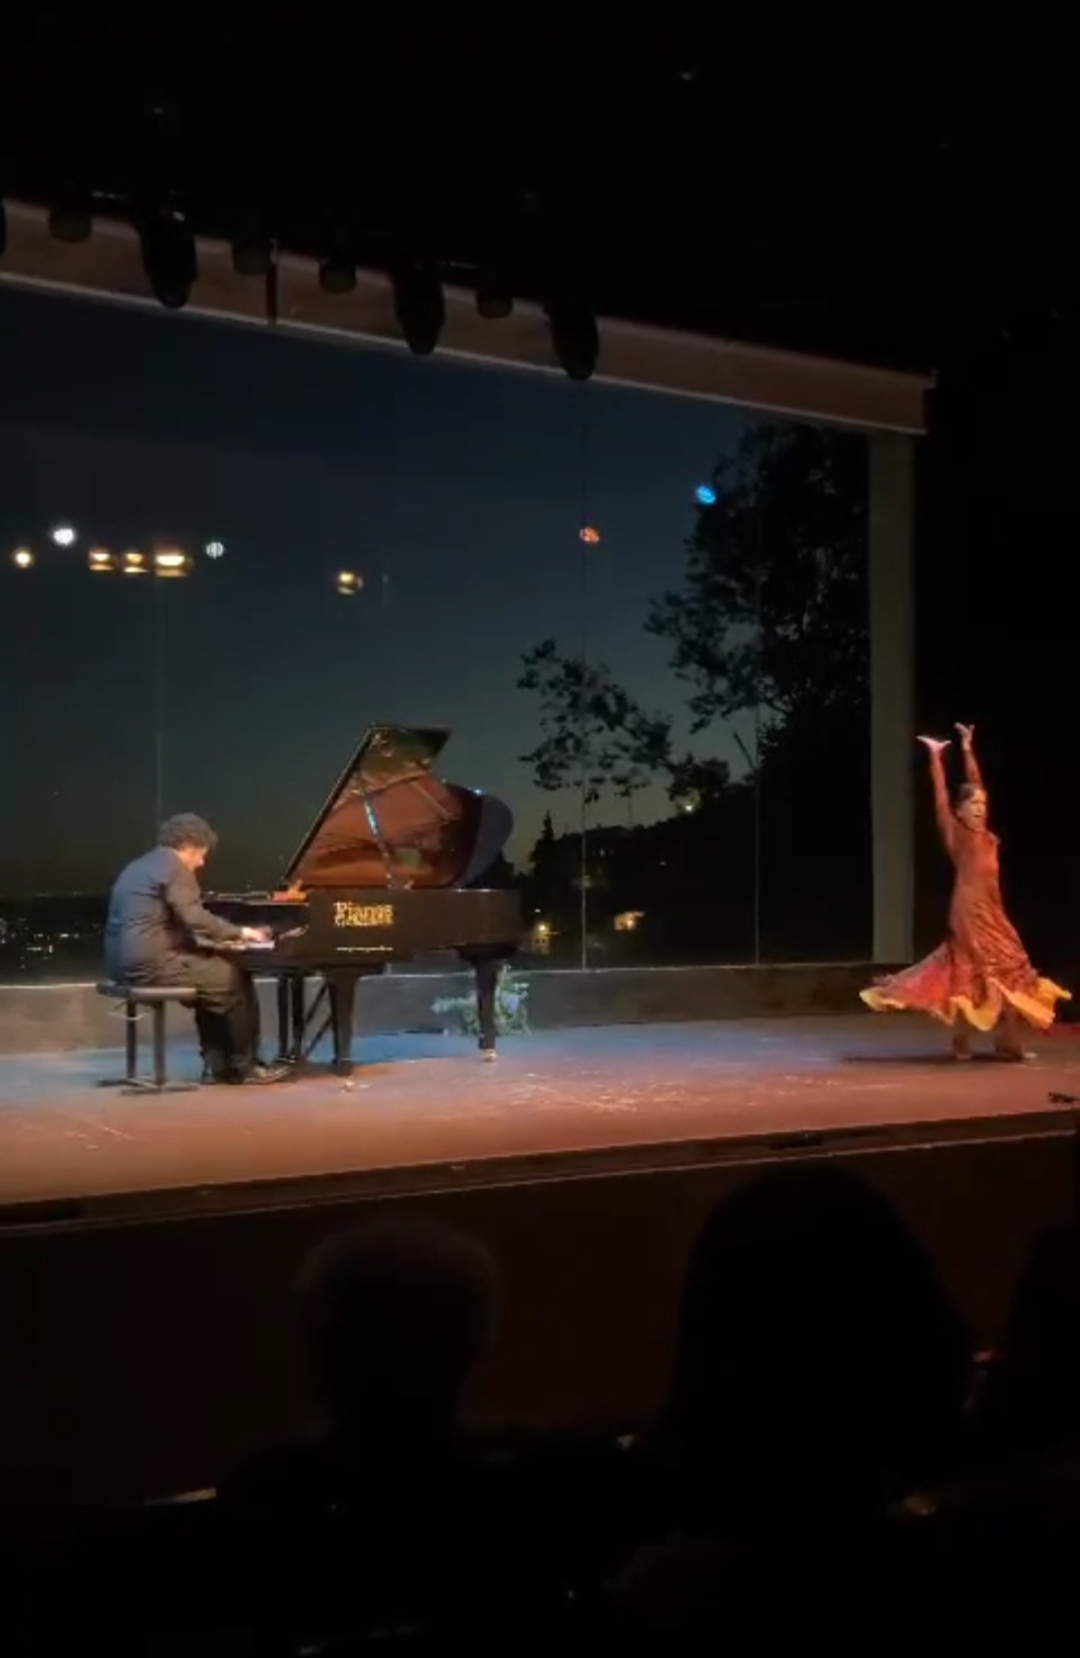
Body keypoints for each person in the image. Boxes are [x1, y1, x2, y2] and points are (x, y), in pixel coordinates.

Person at [861, 724, 1069, 1060]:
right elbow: (941, 799)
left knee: (1013, 968)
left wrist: (968, 748)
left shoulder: (987, 838)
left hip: (993, 912)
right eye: (972, 803)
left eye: (982, 803)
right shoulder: (956, 835)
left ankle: (1007, 1041)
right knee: (972, 972)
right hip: (968, 913)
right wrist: (935, 758)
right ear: (960, 810)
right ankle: (963, 1039)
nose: (979, 807)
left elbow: (977, 781)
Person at [104, 812, 290, 1084]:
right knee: (234, 978)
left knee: (212, 980)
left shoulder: (140, 866)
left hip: (121, 964)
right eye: (201, 855)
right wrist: (242, 932)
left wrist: (211, 943)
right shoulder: (175, 868)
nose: (201, 863)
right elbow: (194, 917)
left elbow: (163, 924)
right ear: (188, 847)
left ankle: (217, 1065)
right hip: (152, 964)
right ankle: (246, 1066)